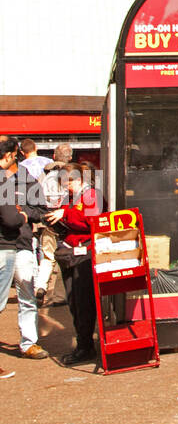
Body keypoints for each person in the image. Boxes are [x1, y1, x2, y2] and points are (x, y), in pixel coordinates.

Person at [0, 137, 50, 362]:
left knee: (27, 295)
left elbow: (42, 211)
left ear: (13, 155)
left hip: (21, 245)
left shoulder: (28, 181)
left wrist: (24, 214)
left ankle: (29, 343)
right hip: (2, 247)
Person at [45, 166, 99, 367]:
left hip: (84, 253)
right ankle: (83, 344)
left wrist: (65, 215)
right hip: (71, 251)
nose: (65, 188)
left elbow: (92, 221)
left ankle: (85, 346)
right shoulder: (73, 197)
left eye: (66, 183)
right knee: (74, 301)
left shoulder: (92, 195)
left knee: (83, 301)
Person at [35, 143, 74, 305]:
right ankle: (59, 296)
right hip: (66, 223)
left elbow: (37, 200)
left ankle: (40, 286)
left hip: (47, 222)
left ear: (53, 156)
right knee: (66, 259)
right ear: (70, 158)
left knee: (47, 257)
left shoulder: (43, 176)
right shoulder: (73, 175)